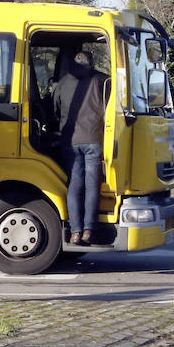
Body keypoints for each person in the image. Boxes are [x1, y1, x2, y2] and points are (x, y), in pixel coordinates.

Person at [53, 50, 107, 245]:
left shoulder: (63, 83)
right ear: (91, 63)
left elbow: (55, 111)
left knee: (74, 185)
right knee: (92, 186)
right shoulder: (102, 80)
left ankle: (75, 232)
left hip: (71, 140)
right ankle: (88, 230)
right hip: (94, 139)